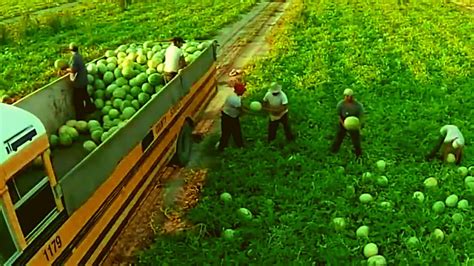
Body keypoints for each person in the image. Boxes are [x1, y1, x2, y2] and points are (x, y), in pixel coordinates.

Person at [217, 72, 248, 151]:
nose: (244, 92)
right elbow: (241, 110)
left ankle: (238, 145)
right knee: (228, 133)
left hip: (230, 116)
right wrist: (249, 112)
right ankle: (222, 148)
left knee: (234, 132)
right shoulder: (235, 100)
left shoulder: (234, 96)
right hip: (228, 117)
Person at [330, 88, 364, 158]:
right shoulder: (341, 105)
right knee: (338, 137)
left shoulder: (358, 106)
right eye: (347, 96)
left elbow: (361, 116)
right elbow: (339, 116)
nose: (349, 98)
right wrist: (343, 124)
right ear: (344, 96)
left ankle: (358, 154)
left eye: (350, 96)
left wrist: (359, 125)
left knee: (356, 140)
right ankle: (333, 152)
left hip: (354, 123)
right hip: (343, 122)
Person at [66, 42, 95, 120]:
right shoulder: (79, 56)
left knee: (78, 101)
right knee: (85, 96)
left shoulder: (74, 57)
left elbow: (74, 69)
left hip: (78, 82)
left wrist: (65, 70)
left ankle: (81, 116)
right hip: (84, 80)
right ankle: (91, 109)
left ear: (70, 50)